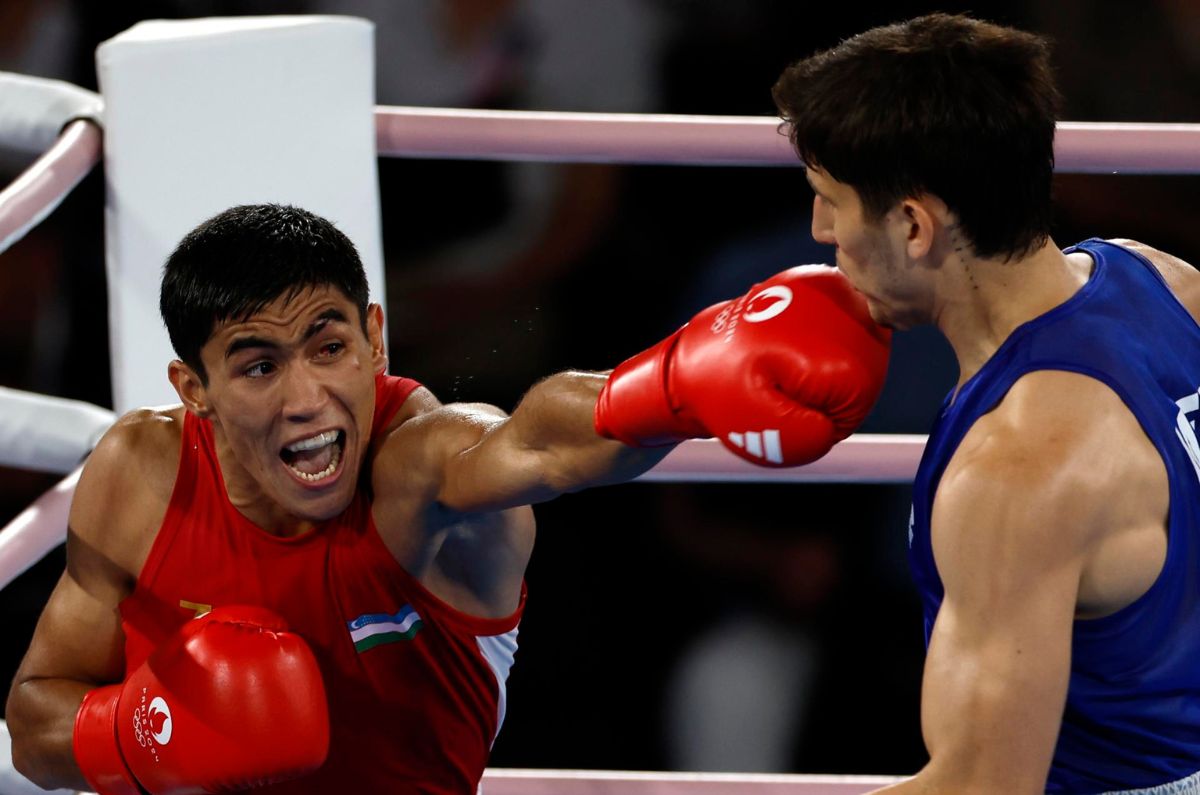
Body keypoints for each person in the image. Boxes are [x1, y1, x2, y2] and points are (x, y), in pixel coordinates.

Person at [4, 203, 889, 794]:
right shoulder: (141, 470)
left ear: (375, 337)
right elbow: (34, 720)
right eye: (259, 365)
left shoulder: (416, 465)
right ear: (193, 388)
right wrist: (142, 728)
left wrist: (670, 390)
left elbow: (533, 443)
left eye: (330, 346)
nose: (308, 396)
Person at [772, 12, 1200, 794]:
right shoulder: (1162, 280)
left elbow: (982, 784)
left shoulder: (1017, 471)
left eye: (830, 199)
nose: (820, 229)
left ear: (912, 225)